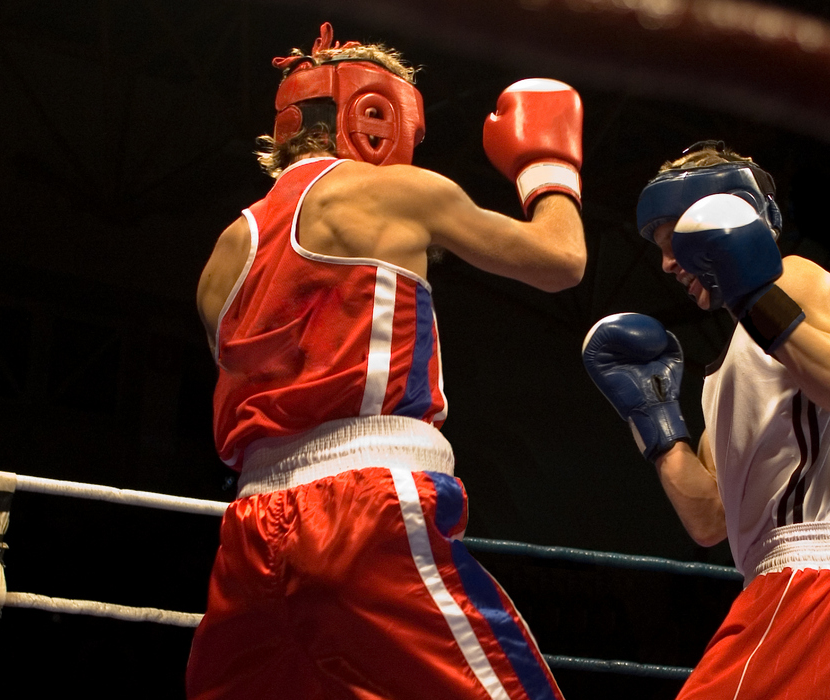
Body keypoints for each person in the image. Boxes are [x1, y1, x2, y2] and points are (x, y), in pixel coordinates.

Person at [187, 22, 585, 700]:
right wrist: (547, 167)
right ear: (377, 116)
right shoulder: (397, 191)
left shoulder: (224, 253)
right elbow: (562, 260)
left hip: (250, 532)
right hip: (364, 508)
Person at [582, 142, 830, 699]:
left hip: (814, 580)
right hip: (781, 587)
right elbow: (709, 520)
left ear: (721, 219)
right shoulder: (725, 373)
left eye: (672, 238)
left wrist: (757, 297)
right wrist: (657, 422)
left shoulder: (793, 280)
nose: (667, 263)